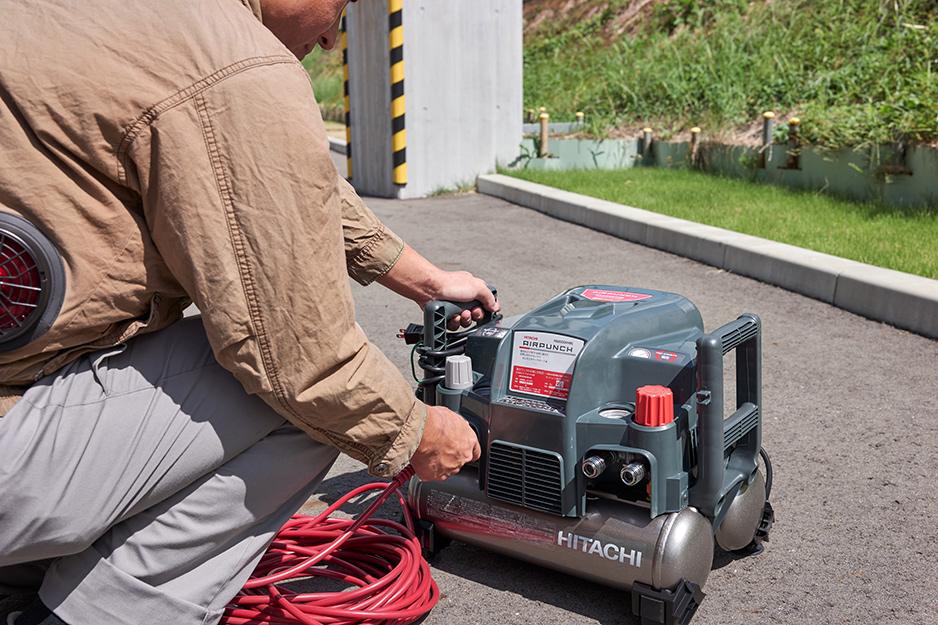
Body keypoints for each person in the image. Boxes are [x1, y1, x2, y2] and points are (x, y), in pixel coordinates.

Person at [0, 1, 498, 624]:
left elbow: (274, 181)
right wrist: (418, 432)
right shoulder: (227, 56)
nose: (330, 38)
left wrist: (427, 282)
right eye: (339, 6)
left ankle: (21, 582)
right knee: (310, 402)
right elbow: (302, 357)